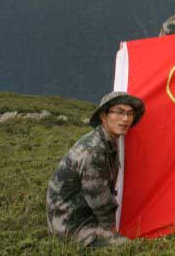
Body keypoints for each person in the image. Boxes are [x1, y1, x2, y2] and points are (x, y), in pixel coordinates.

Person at [46, 92, 146, 248]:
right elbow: (100, 200)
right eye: (119, 112)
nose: (125, 119)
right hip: (70, 226)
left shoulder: (108, 142)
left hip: (81, 216)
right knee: (127, 247)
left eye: (130, 113)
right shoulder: (94, 150)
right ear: (104, 116)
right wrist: (111, 232)